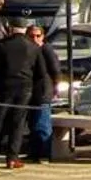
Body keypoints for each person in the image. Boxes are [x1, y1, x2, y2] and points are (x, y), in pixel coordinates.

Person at [0, 20, 41, 169]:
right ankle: (12, 158)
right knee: (18, 123)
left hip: (4, 88)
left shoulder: (1, 45)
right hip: (25, 89)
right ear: (25, 29)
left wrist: (0, 80)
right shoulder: (33, 47)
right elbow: (40, 71)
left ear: (10, 28)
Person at [25, 24, 60, 161]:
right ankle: (34, 153)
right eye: (31, 36)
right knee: (33, 124)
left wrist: (56, 87)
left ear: (43, 37)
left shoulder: (45, 49)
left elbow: (55, 70)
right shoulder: (29, 50)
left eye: (38, 36)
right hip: (31, 92)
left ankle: (45, 154)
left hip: (43, 92)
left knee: (42, 124)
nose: (35, 38)